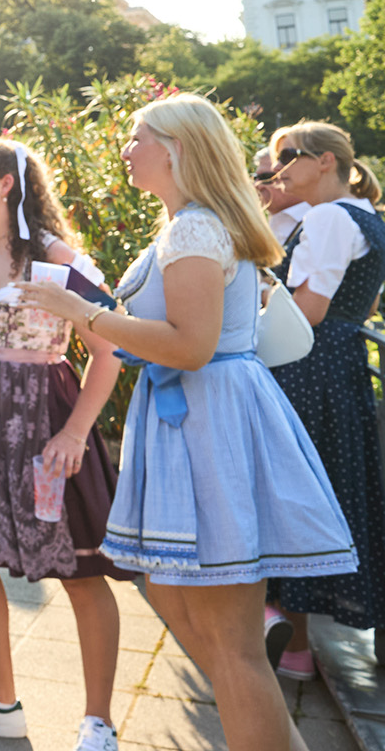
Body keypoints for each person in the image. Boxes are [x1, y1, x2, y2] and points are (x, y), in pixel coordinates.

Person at [25, 97, 356, 751]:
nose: (126, 149)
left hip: (209, 424)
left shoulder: (196, 229)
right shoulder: (191, 225)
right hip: (197, 423)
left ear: (176, 149)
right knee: (203, 622)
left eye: (137, 137)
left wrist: (80, 311)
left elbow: (191, 345)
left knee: (228, 643)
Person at [0, 138, 128, 751]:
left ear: (6, 184)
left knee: (78, 568)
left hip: (45, 423)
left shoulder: (55, 258)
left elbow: (111, 348)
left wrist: (76, 432)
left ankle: (97, 720)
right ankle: (1, 702)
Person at [262, 120, 385, 678]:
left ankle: (292, 643)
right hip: (337, 361)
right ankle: (296, 643)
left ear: (327, 161)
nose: (280, 167)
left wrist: (261, 288)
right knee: (332, 484)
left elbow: (306, 310)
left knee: (299, 490)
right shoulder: (362, 214)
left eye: (291, 155)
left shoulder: (331, 217)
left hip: (310, 363)